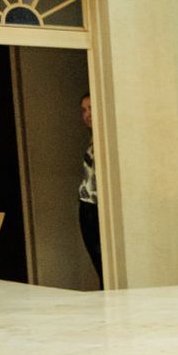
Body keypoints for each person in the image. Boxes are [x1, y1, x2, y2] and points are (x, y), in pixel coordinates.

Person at [78, 93, 101, 287]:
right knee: (97, 258)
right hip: (87, 206)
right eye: (84, 110)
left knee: (104, 260)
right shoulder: (92, 140)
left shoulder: (106, 139)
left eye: (91, 108)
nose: (87, 114)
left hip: (100, 206)